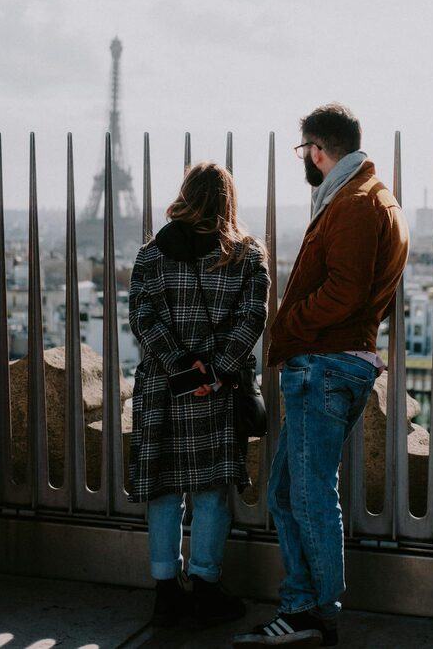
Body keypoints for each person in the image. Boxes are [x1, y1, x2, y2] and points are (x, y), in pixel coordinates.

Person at [234, 104, 409, 648]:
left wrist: (290, 324)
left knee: (307, 492)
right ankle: (303, 605)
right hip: (334, 361)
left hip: (326, 363)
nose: (302, 162)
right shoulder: (367, 195)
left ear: (315, 148)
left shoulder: (355, 204)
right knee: (288, 490)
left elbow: (345, 293)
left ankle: (314, 612)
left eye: (302, 152)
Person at [128, 162, 270, 629]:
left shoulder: (151, 254)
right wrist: (218, 369)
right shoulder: (248, 255)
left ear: (185, 193)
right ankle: (207, 586)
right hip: (216, 391)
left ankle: (166, 593)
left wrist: (178, 366)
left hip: (164, 389)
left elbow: (144, 319)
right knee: (211, 492)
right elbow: (253, 318)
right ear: (229, 199)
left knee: (165, 492)